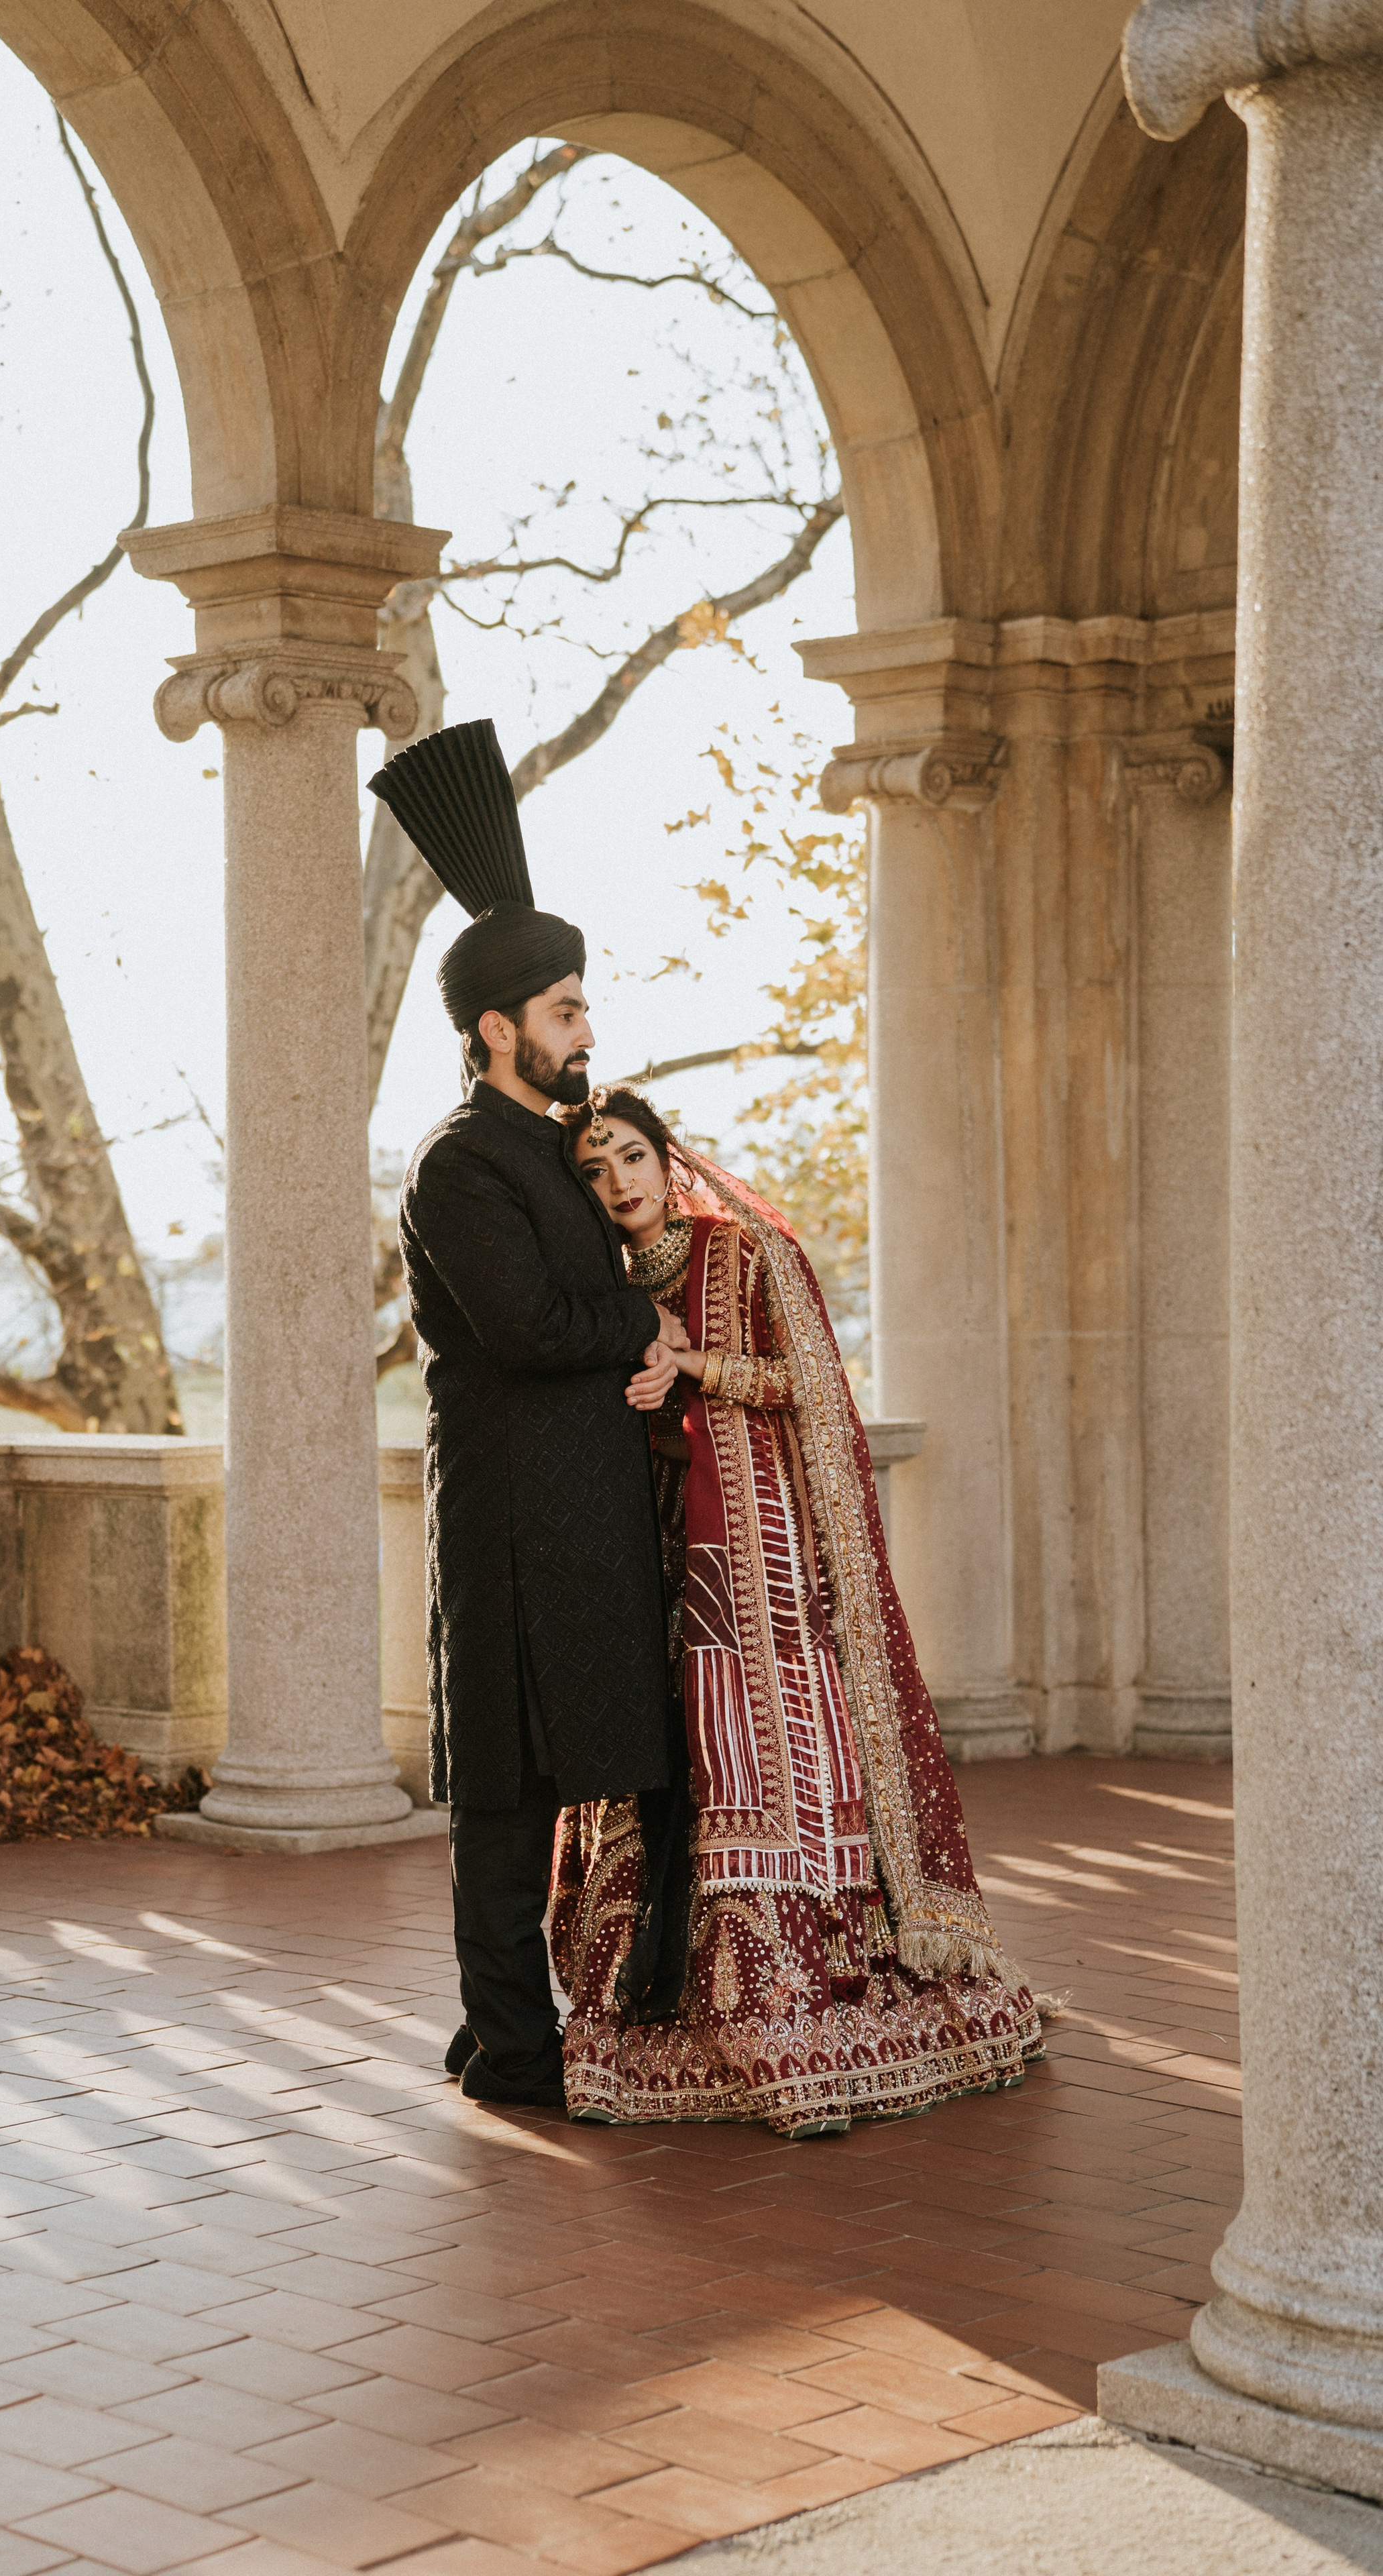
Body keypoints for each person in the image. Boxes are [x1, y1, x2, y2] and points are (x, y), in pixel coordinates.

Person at [551, 1085, 1043, 2135]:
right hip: (646, 1556)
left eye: (631, 1157)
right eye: (593, 1172)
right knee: (667, 1763)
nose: (618, 1183)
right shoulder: (590, 1282)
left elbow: (815, 1386)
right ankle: (661, 1994)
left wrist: (698, 1368)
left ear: (663, 1156)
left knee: (762, 1759)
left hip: (761, 1555)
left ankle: (801, 1994)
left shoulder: (745, 1254)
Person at [372, 720, 683, 2110]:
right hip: (509, 1517)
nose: (584, 1031)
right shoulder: (456, 1168)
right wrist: (642, 1325)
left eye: (580, 1006)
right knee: (503, 1800)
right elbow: (530, 1328)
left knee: (647, 1767)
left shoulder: (555, 1147)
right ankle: (509, 2047)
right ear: (495, 1028)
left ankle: (657, 2004)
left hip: (597, 1506)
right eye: (563, 1011)